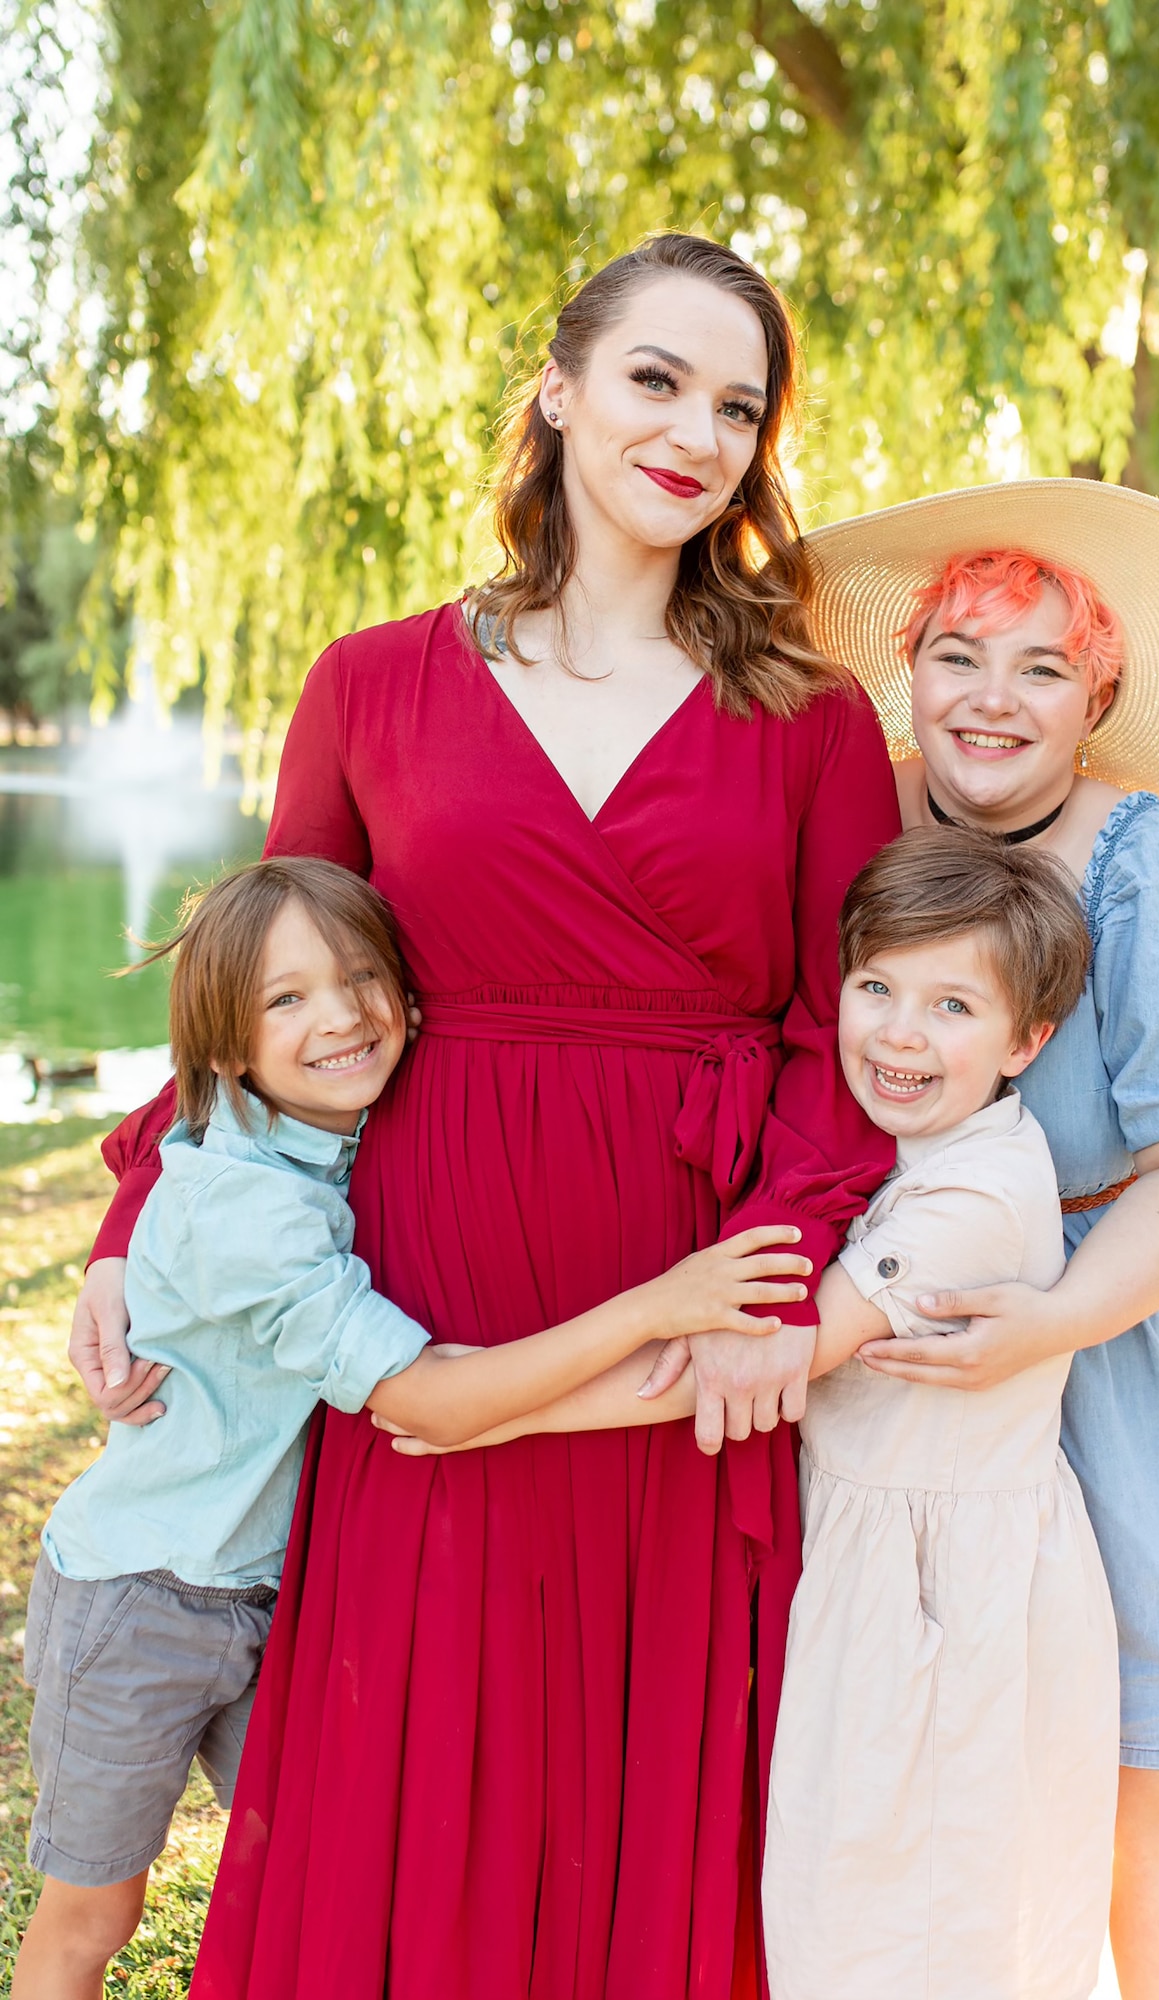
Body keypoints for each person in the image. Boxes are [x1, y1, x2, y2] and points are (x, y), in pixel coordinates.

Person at [63, 233, 900, 1998]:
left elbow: (840, 1040)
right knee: (415, 1749)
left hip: (687, 1300)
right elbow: (252, 990)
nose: (693, 432)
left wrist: (785, 1276)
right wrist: (140, 1219)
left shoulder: (813, 720)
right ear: (561, 391)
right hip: (426, 1290)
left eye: (736, 407)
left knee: (654, 1763)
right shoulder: (371, 681)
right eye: (654, 379)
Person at [15, 856, 806, 2000]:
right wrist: (659, 1304)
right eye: (285, 998)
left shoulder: (340, 1135)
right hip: (145, 1592)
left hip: (278, 1591)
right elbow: (426, 1393)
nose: (338, 1015)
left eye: (360, 978)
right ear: (227, 1046)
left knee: (306, 1869)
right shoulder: (240, 1207)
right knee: (95, 1909)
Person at [386, 826, 1120, 2000]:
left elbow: (734, 1372)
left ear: (1025, 1040)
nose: (896, 1032)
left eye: (950, 1006)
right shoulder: (915, 1143)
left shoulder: (972, 1200)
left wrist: (497, 1405)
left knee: (905, 1918)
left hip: (935, 1593)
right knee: (851, 1899)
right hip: (884, 1553)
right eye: (875, 987)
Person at [798, 481, 1159, 2000]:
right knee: (938, 1789)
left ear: (1099, 690)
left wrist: (1050, 1320)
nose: (990, 698)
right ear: (910, 669)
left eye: (1038, 666)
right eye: (957, 653)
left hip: (1114, 1360)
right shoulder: (851, 826)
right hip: (893, 1366)